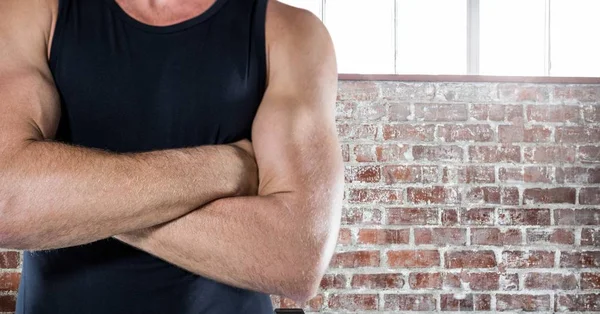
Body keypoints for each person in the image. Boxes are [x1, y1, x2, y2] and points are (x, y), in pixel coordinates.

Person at [0, 0, 343, 313]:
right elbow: (7, 201)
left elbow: (295, 255)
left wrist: (62, 205)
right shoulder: (31, 11)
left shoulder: (290, 33)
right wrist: (228, 169)